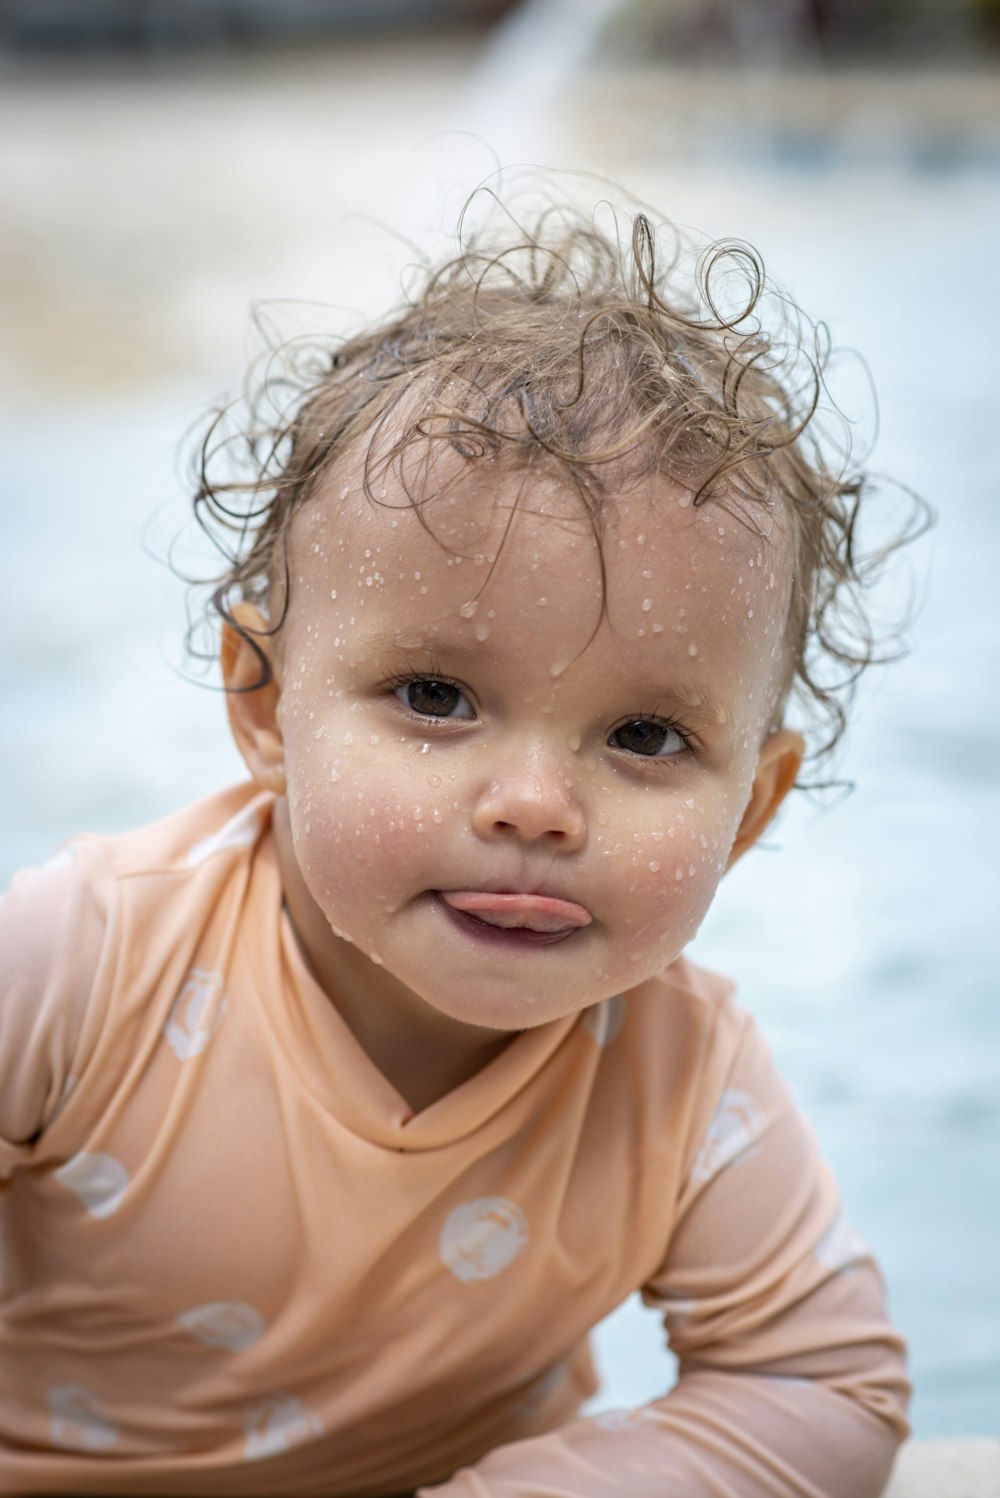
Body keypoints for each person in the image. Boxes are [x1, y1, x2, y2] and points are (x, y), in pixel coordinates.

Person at [0, 189, 919, 1497]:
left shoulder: (676, 1072)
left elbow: (826, 1383)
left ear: (754, 807)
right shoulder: (87, 963)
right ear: (264, 707)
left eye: (647, 735)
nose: (536, 803)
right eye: (437, 698)